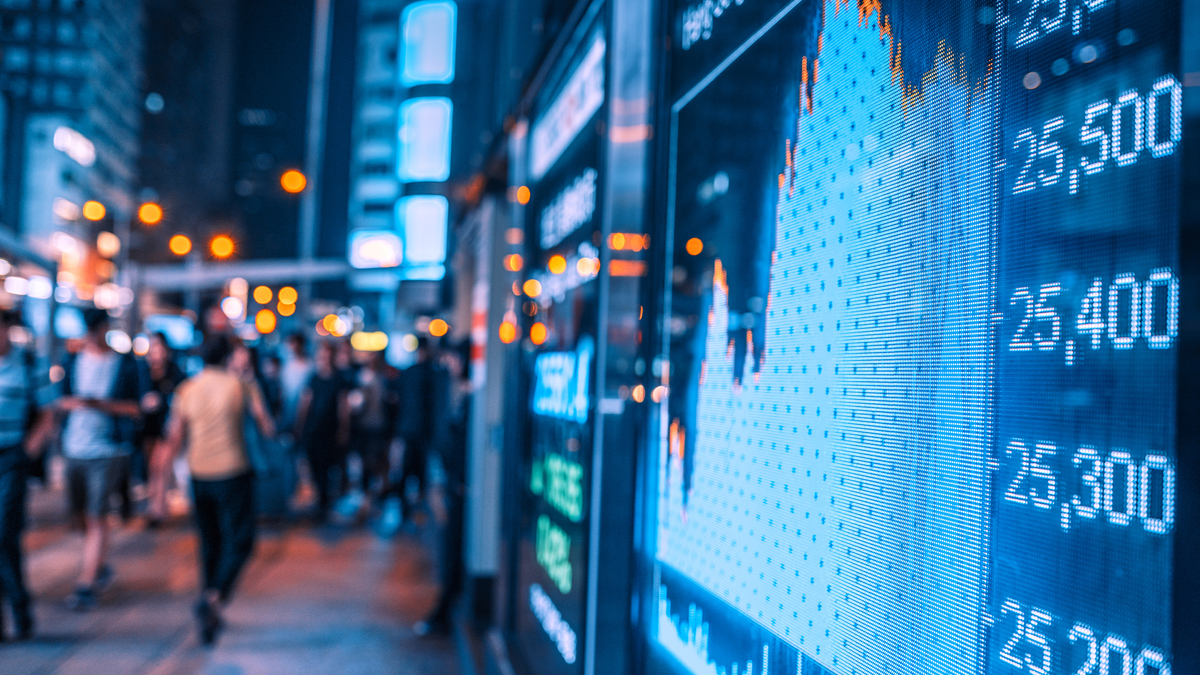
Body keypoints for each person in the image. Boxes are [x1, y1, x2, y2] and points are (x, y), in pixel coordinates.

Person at [157, 335, 275, 644]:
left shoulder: (187, 389)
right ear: (228, 356)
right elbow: (267, 426)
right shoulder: (242, 385)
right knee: (241, 540)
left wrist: (159, 492)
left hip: (199, 475)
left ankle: (210, 605)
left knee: (210, 542)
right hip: (234, 472)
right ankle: (214, 598)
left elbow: (173, 438)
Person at [58, 309, 144, 611]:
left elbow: (136, 407)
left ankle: (86, 582)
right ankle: (99, 563)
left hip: (108, 450)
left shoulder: (125, 364)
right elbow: (58, 401)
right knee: (80, 517)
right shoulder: (71, 361)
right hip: (74, 448)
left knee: (97, 515)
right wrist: (76, 404)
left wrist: (102, 406)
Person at [0, 310, 53, 641]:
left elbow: (49, 413)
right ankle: (19, 613)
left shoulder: (31, 362)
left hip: (11, 457)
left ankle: (19, 610)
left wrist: (27, 451)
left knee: (4, 533)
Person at [294, 342, 350, 521]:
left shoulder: (339, 380)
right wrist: (299, 426)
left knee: (328, 468)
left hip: (329, 431)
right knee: (314, 466)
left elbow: (343, 407)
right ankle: (321, 500)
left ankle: (324, 502)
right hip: (313, 431)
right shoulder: (314, 378)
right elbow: (305, 403)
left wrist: (343, 429)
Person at [142, 332, 185, 526]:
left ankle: (156, 512)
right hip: (148, 428)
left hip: (169, 427)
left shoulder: (175, 373)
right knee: (152, 468)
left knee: (162, 467)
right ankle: (158, 507)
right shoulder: (143, 372)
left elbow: (181, 400)